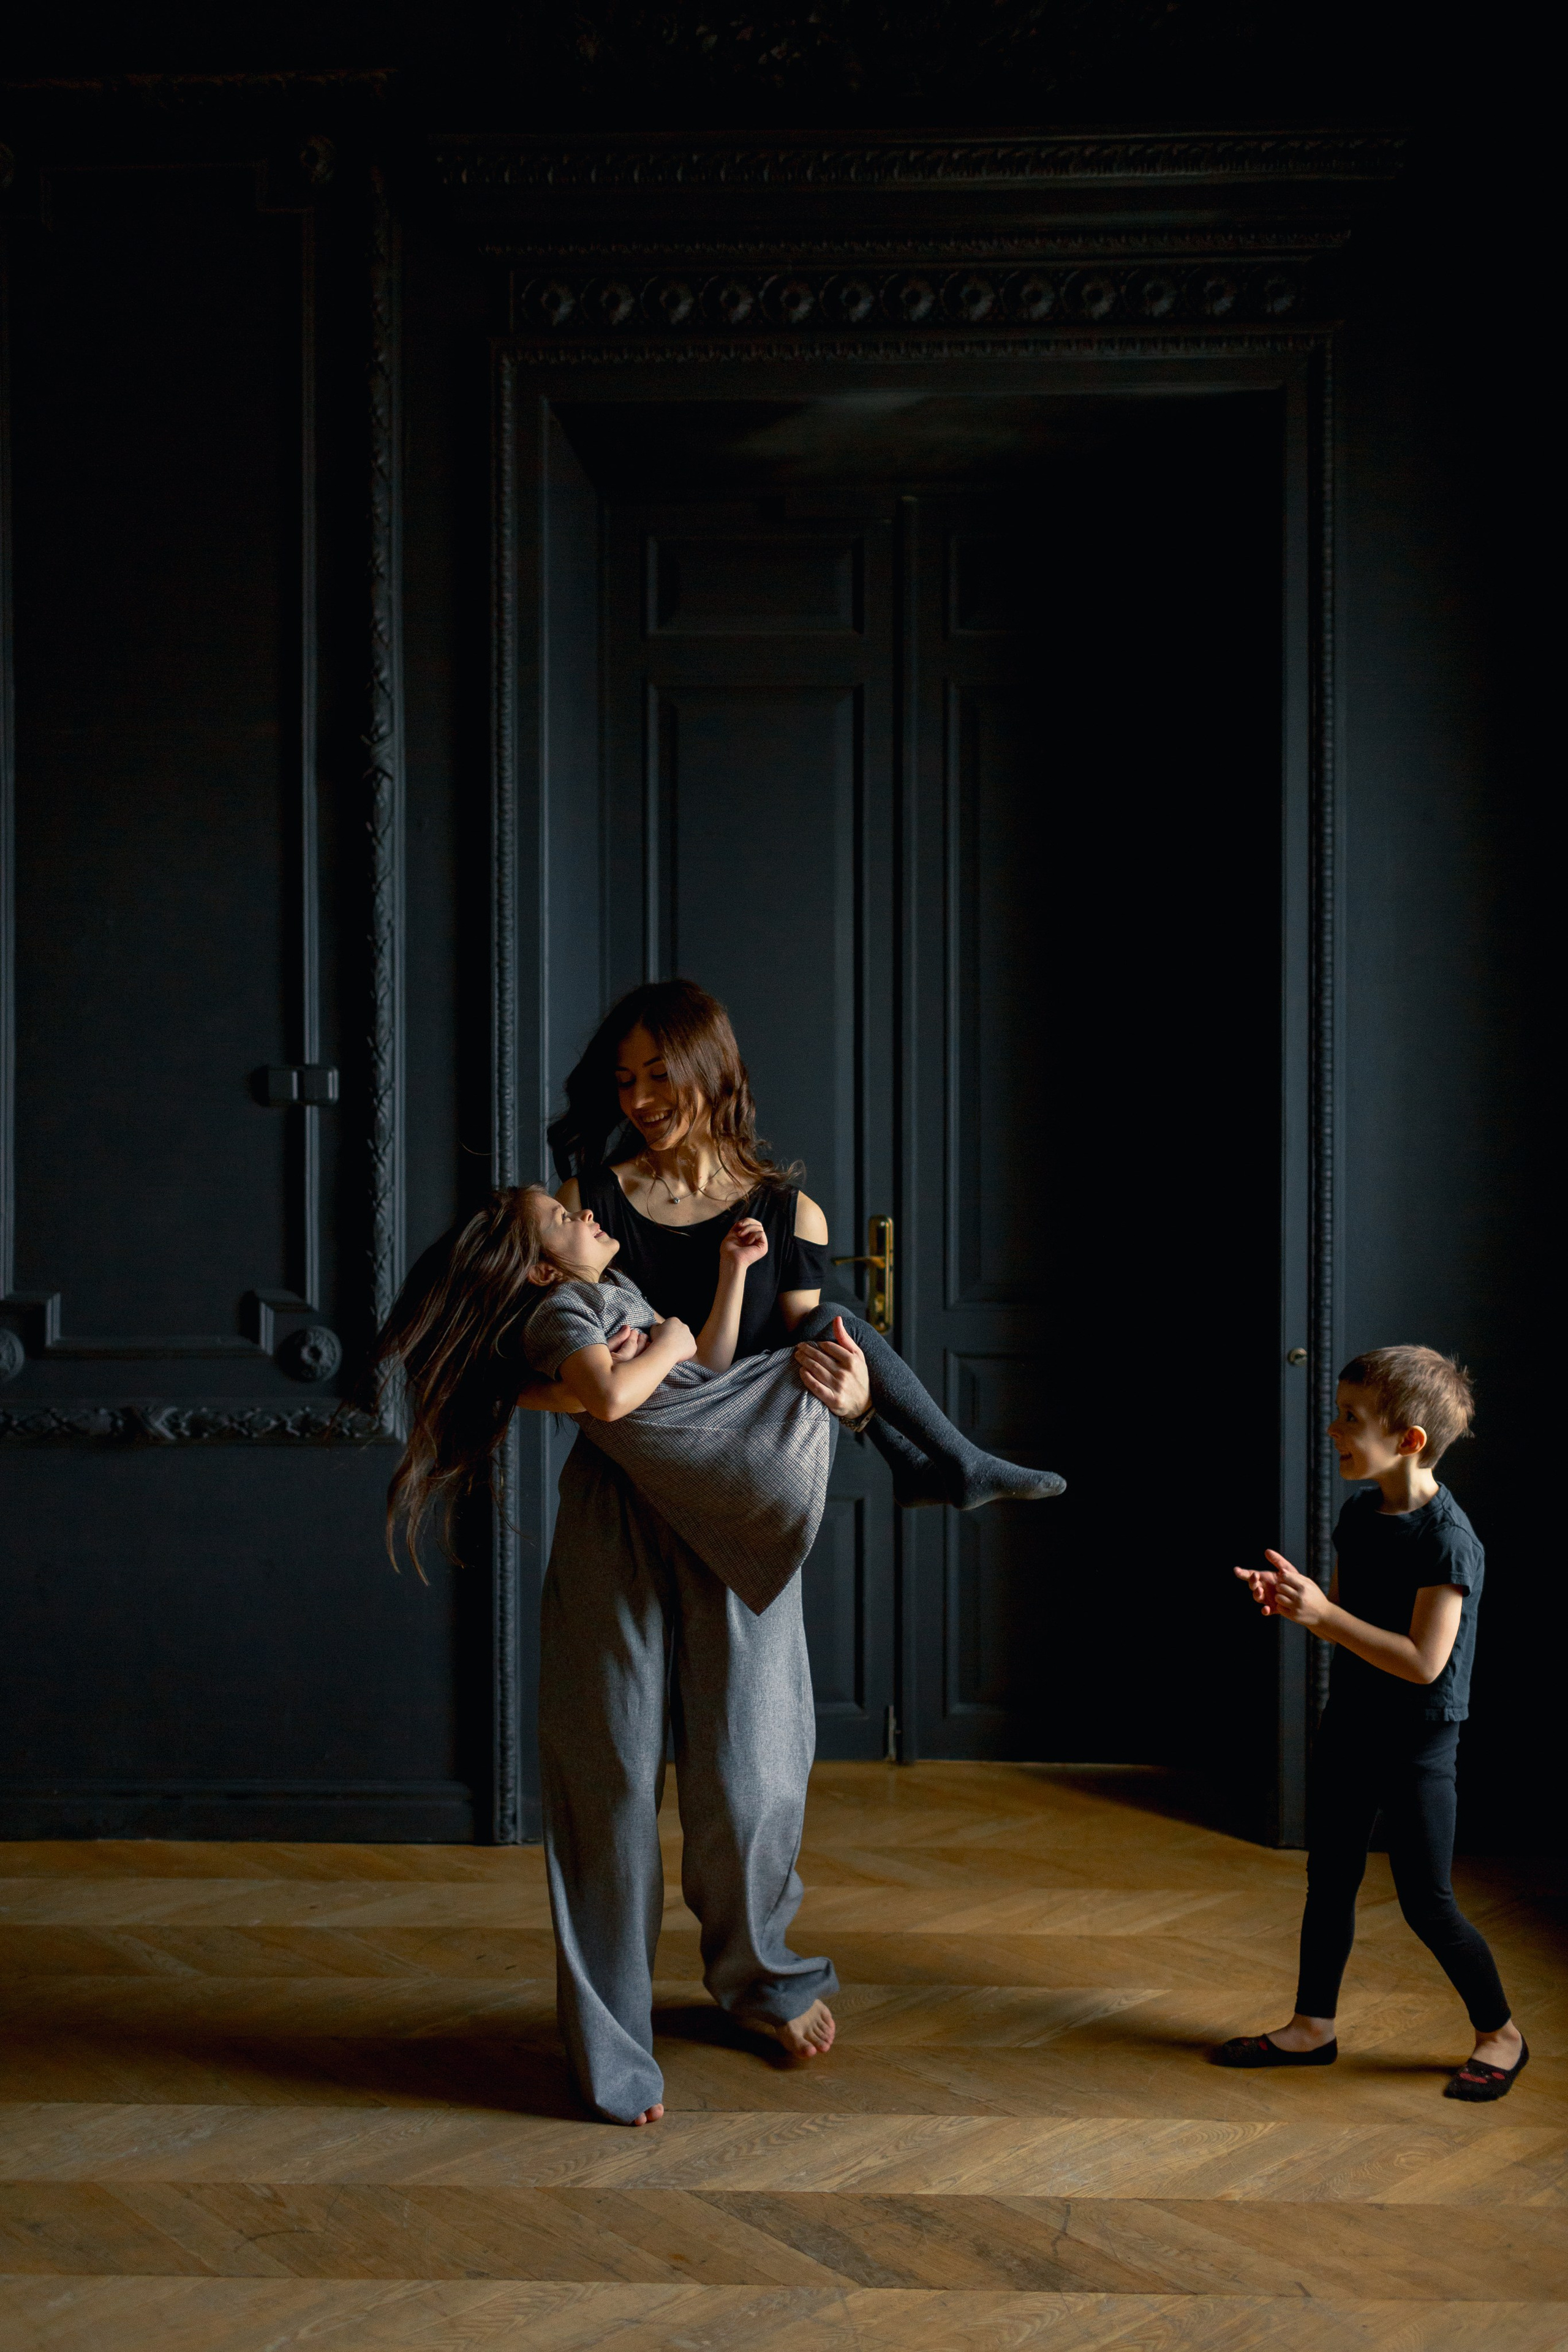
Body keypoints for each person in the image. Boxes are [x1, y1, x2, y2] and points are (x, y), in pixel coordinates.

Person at [375, 978, 1064, 2129]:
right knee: (604, 1787)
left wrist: (854, 1413)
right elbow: (516, 1355)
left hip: (739, 1513)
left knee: (750, 1784)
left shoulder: (786, 1211)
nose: (641, 1098)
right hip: (618, 1516)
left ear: (713, 1071)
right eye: (625, 1078)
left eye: (660, 1074)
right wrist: (586, 1400)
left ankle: (758, 1978)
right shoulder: (583, 1204)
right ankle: (609, 2046)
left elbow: (803, 1372)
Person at [1221, 1346, 1525, 2102]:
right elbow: (1350, 1619)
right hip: (1352, 1723)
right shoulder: (1362, 1514)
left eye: (1350, 1418)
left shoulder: (1448, 1541)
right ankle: (1311, 2026)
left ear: (1411, 1440)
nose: (1333, 1429)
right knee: (1330, 1882)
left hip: (1419, 1741)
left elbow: (1424, 1663)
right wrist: (1299, 1601)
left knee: (1428, 1901)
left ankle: (1502, 2034)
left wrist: (1324, 1616)